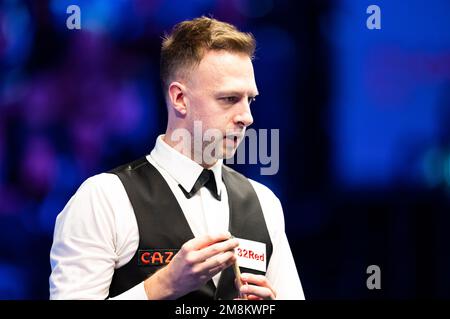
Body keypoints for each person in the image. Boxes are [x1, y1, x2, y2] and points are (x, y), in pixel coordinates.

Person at [49, 16, 304, 300]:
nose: (247, 117)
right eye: (229, 99)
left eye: (250, 100)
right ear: (179, 98)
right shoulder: (104, 198)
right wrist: (163, 286)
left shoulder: (264, 203)